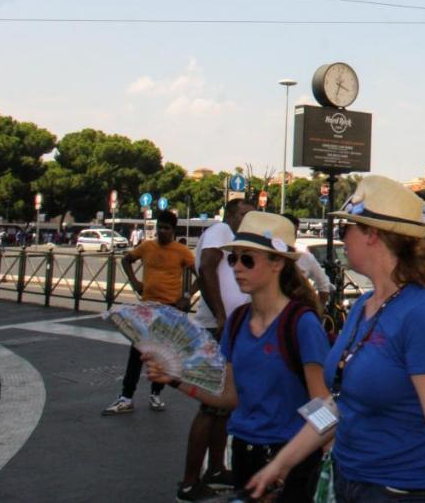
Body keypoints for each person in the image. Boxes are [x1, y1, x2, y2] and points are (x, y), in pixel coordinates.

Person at [246, 176, 425, 503]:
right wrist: (282, 463)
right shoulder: (362, 308)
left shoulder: (423, 316)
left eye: (346, 230)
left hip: (406, 492)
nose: (341, 239)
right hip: (351, 481)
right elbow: (339, 402)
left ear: (372, 234)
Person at [148, 211, 329, 502]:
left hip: (289, 461)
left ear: (277, 263)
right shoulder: (237, 321)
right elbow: (229, 396)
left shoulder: (302, 324)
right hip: (244, 454)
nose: (236, 268)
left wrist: (291, 464)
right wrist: (176, 378)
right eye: (233, 258)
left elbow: (324, 409)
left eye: (247, 259)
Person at [175, 197, 255, 496]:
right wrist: (221, 314)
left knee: (224, 405)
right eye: (246, 214)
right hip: (218, 327)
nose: (250, 220)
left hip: (230, 327)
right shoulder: (221, 231)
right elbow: (207, 268)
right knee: (211, 406)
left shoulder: (231, 238)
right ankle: (189, 481)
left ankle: (217, 468)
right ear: (231, 215)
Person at [102, 210, 194, 416]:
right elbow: (127, 260)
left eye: (166, 228)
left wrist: (187, 296)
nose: (162, 231)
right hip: (146, 309)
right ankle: (126, 396)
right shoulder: (147, 246)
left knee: (161, 354)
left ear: (174, 230)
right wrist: (135, 282)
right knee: (136, 353)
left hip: (169, 309)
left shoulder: (182, 251)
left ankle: (156, 393)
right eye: (160, 226)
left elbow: (201, 274)